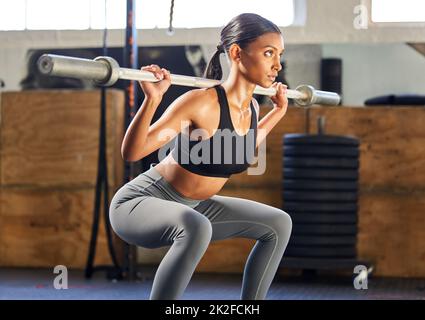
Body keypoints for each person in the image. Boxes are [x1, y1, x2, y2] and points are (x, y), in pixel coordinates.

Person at [109, 13, 292, 300]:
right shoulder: (201, 102)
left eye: (279, 54)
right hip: (139, 203)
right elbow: (132, 152)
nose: (277, 65)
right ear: (236, 53)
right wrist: (152, 99)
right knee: (195, 226)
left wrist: (277, 112)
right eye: (268, 53)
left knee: (278, 224)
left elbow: (242, 145)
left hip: (195, 208)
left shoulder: (253, 108)